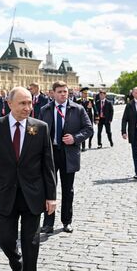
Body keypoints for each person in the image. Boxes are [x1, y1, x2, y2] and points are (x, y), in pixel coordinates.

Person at [0, 87, 56, 271]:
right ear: (9, 104)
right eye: (22, 103)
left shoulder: (39, 128)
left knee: (31, 244)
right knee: (5, 239)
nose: (27, 108)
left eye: (30, 103)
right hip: (5, 193)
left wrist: (51, 197)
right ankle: (16, 263)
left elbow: (48, 166)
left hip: (33, 195)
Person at [39, 81, 93, 234]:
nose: (63, 94)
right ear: (53, 93)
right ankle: (48, 223)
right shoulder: (45, 109)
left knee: (68, 189)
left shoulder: (78, 109)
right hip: (50, 153)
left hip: (69, 153)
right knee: (49, 188)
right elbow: (37, 131)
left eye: (65, 91)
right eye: (60, 91)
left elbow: (89, 129)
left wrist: (75, 138)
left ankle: (67, 221)